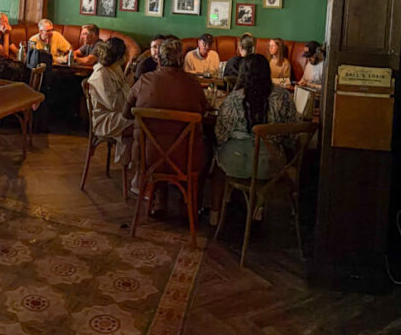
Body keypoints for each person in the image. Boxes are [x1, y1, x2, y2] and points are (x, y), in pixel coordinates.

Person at [128, 35, 212, 218]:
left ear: (158, 59)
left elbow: (126, 113)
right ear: (181, 60)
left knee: (157, 140)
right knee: (208, 148)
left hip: (147, 157)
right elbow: (203, 111)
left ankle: (159, 199)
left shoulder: (144, 81)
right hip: (185, 159)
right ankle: (190, 203)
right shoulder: (193, 84)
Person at [215, 54, 301, 180]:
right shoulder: (283, 97)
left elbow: (220, 135)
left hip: (234, 164)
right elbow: (293, 137)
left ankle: (225, 192)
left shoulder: (231, 99)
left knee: (216, 159)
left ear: (242, 74)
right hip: (269, 166)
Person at [85, 38, 133, 164]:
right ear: (119, 57)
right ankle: (131, 163)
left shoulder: (116, 68)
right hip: (105, 119)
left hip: (117, 114)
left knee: (141, 122)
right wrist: (128, 84)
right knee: (139, 125)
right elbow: (115, 104)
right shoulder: (101, 75)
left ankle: (133, 163)